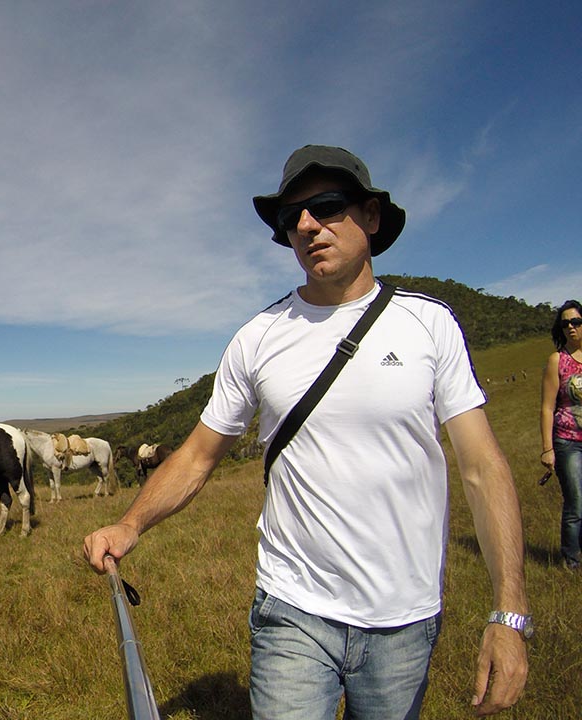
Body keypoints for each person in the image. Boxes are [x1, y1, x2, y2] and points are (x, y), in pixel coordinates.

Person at [83, 145, 529, 718]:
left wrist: (508, 612)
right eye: (290, 217)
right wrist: (129, 523)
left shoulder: (429, 325)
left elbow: (481, 465)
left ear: (371, 216)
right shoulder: (259, 336)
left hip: (404, 618)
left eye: (326, 206)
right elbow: (197, 455)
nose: (306, 226)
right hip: (292, 607)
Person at [539, 299, 582, 570]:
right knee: (576, 502)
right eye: (565, 323)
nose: (570, 328)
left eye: (576, 322)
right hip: (568, 441)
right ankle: (571, 561)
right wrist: (547, 448)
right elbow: (546, 407)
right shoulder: (558, 360)